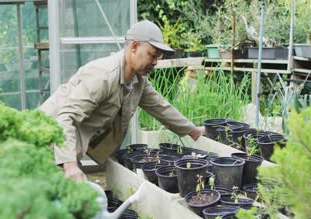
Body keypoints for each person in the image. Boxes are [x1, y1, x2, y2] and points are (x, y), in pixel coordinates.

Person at [39, 20, 204, 181]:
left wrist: (193, 131)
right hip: (47, 142)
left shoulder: (137, 81)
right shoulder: (103, 75)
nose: (155, 62)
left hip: (65, 147)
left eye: (157, 57)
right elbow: (65, 118)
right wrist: (69, 165)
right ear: (134, 46)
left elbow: (161, 108)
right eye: (152, 55)